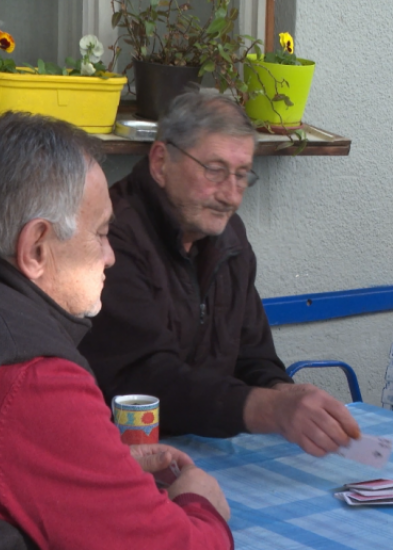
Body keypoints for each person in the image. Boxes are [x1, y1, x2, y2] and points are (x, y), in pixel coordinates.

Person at [0, 112, 233, 549]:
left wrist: (93, 467)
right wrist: (201, 505)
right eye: (102, 234)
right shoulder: (26, 378)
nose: (110, 257)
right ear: (35, 247)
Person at [78, 91, 360, 457]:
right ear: (161, 162)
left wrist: (286, 393)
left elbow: (253, 357)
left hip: (212, 450)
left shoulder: (229, 238)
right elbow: (145, 380)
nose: (230, 195)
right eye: (215, 171)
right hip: (126, 456)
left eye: (242, 176)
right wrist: (269, 409)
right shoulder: (113, 235)